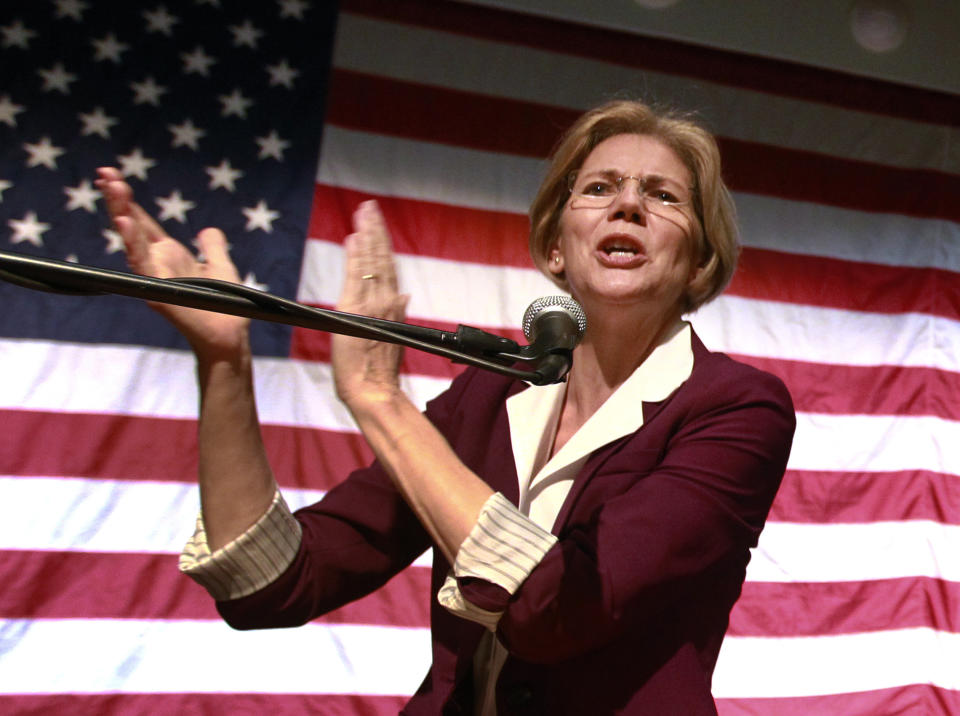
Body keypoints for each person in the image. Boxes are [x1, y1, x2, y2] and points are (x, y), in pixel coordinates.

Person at [96, 99, 795, 715]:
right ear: (555, 248)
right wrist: (224, 361)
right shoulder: (486, 398)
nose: (628, 205)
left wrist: (380, 401)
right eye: (601, 188)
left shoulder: (736, 410)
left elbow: (559, 609)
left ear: (700, 260)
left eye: (664, 196)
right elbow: (273, 584)